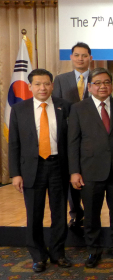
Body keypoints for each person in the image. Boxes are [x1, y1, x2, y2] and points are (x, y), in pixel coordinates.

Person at [9, 69, 73, 272]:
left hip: (58, 166)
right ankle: (38, 255)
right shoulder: (19, 109)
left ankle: (58, 253)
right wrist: (15, 173)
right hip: (32, 169)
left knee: (59, 213)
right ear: (30, 87)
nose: (42, 88)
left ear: (52, 85)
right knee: (34, 214)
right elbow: (14, 144)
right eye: (37, 84)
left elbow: (72, 141)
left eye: (46, 83)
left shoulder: (65, 107)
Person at [68, 68, 113, 267]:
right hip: (90, 170)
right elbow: (73, 142)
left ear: (112, 85)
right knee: (92, 214)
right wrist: (74, 171)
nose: (103, 86)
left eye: (106, 83)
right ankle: (93, 250)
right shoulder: (78, 108)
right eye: (98, 83)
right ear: (90, 86)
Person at [52, 41, 92, 229]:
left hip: (93, 137)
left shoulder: (98, 76)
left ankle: (92, 215)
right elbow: (58, 108)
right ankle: (76, 213)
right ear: (71, 57)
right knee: (72, 177)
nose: (80, 58)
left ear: (90, 58)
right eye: (77, 55)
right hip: (69, 136)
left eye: (84, 55)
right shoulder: (61, 79)